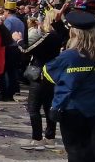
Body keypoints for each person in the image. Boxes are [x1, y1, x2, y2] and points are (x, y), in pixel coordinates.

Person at [44, 11, 95, 162]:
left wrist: (56, 106)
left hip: (72, 107)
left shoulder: (70, 56)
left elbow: (50, 73)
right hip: (94, 105)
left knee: (74, 148)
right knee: (87, 145)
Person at [20, 17, 63, 150]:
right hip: (52, 74)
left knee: (33, 108)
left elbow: (27, 50)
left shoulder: (48, 37)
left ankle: (37, 138)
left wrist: (19, 40)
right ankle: (50, 137)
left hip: (40, 74)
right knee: (48, 106)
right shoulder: (60, 35)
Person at [0, 2, 24, 101]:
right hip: (17, 48)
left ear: (7, 11)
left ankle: (4, 93)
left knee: (3, 72)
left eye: (4, 11)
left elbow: (4, 34)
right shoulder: (20, 21)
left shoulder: (8, 21)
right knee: (12, 72)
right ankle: (11, 93)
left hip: (8, 48)